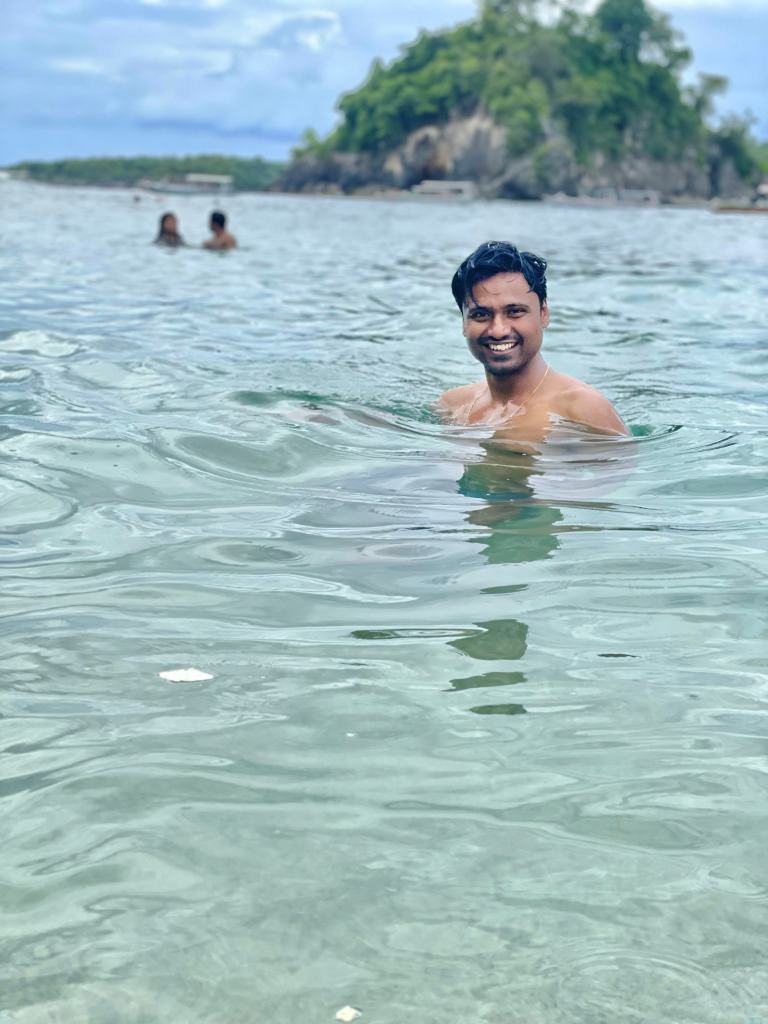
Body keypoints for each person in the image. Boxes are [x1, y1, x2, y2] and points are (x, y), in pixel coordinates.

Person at [437, 241, 628, 436]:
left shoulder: (583, 410)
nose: (498, 331)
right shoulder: (452, 407)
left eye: (515, 311)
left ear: (543, 313)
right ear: (464, 322)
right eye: (480, 315)